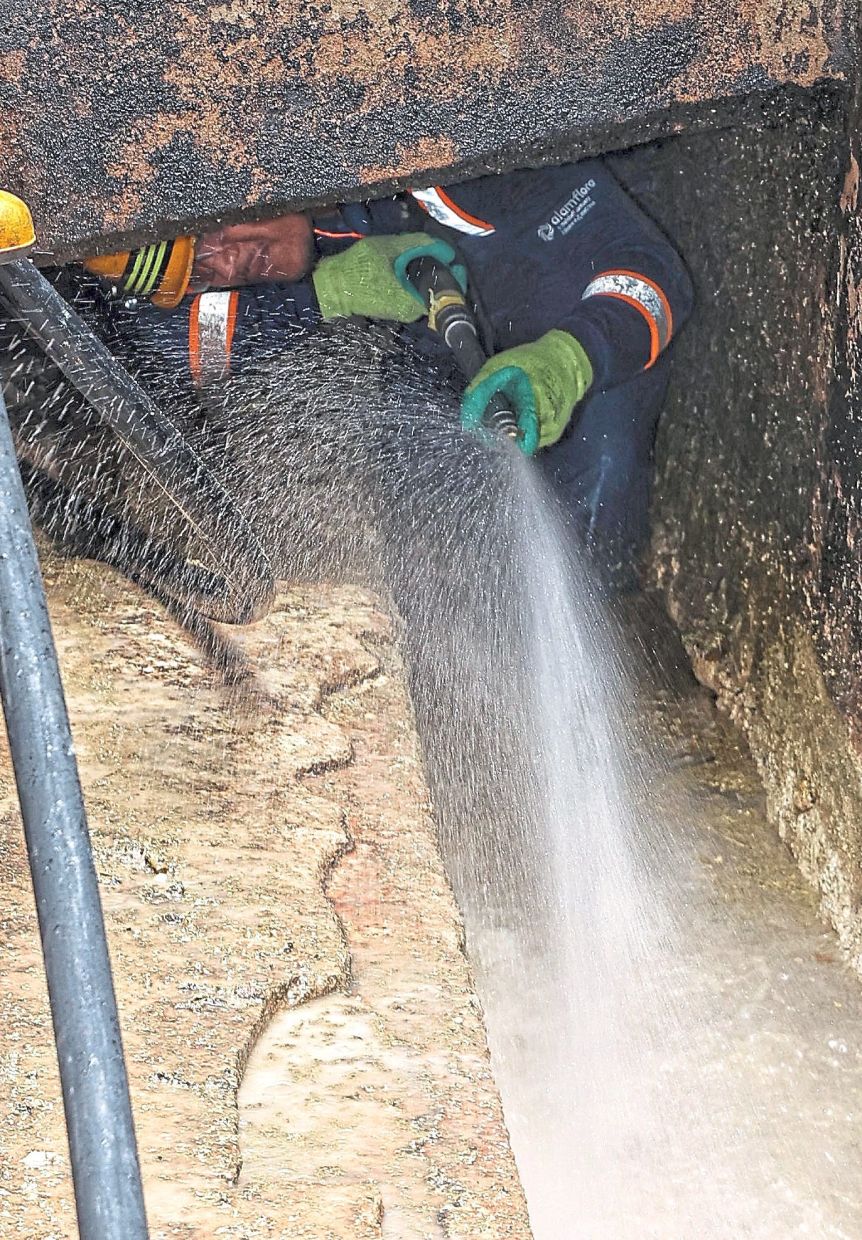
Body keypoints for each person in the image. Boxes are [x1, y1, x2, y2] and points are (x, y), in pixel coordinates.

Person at [80, 160, 693, 584]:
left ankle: (610, 622)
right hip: (456, 366)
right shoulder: (290, 242)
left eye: (214, 231)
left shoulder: (460, 157)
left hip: (579, 349)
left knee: (598, 471)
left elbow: (651, 271)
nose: (231, 261)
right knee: (429, 515)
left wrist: (568, 362)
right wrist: (326, 290)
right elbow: (185, 350)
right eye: (203, 273)